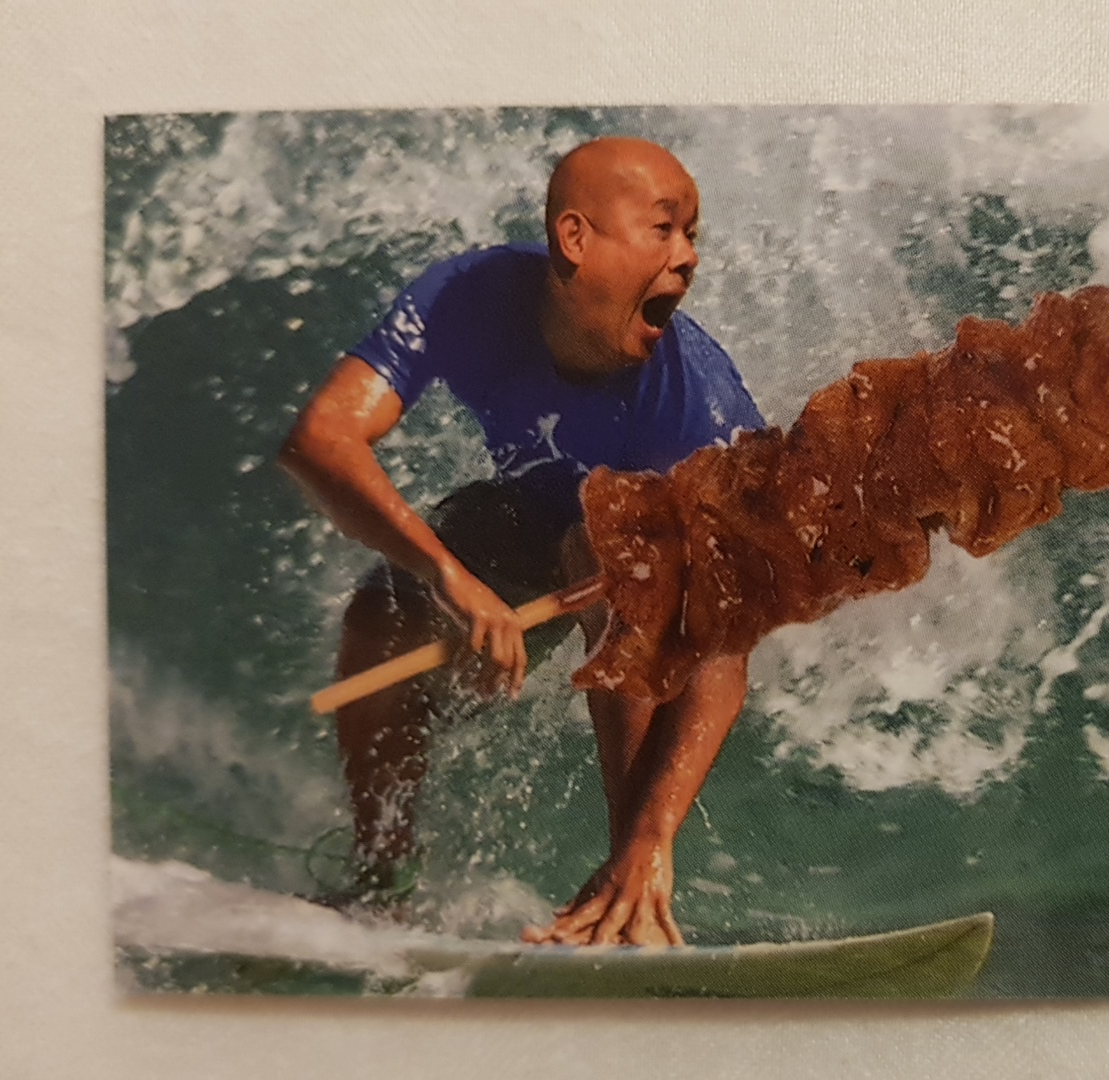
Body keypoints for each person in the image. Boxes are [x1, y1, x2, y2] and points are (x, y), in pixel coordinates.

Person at [279, 137, 764, 948]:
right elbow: (321, 439)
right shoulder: (471, 298)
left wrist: (652, 837)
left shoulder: (699, 412)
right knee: (377, 620)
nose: (688, 257)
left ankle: (629, 883)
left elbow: (724, 644)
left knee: (605, 549)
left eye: (692, 236)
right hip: (523, 522)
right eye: (664, 229)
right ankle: (382, 882)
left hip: (641, 574)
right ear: (576, 240)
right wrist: (448, 578)